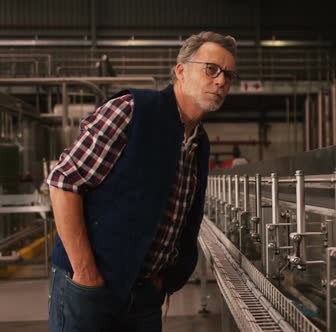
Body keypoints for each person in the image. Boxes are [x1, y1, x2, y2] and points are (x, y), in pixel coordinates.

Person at [46, 31, 238, 332]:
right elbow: (63, 182)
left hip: (145, 294)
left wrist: (165, 279)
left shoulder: (199, 142)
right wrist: (86, 273)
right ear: (181, 70)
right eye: (211, 69)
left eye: (228, 75)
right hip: (91, 287)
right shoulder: (131, 111)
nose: (220, 81)